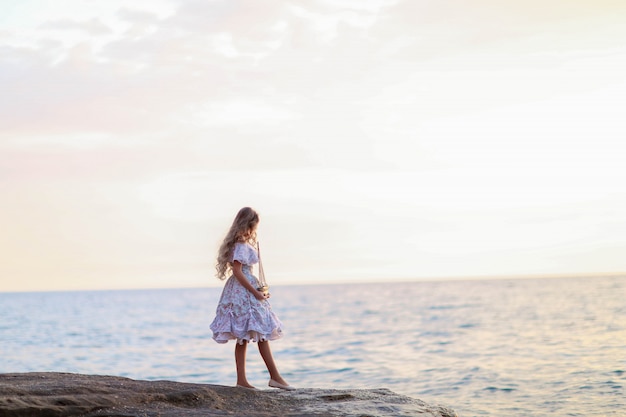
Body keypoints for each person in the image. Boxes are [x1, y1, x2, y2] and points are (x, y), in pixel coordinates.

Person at [209, 207, 294, 390]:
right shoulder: (240, 245)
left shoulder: (240, 244)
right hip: (243, 291)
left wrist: (259, 291)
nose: (255, 229)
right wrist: (255, 293)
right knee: (257, 332)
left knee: (246, 336)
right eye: (254, 225)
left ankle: (247, 380)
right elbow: (238, 272)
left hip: (244, 288)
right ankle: (273, 377)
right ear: (248, 224)